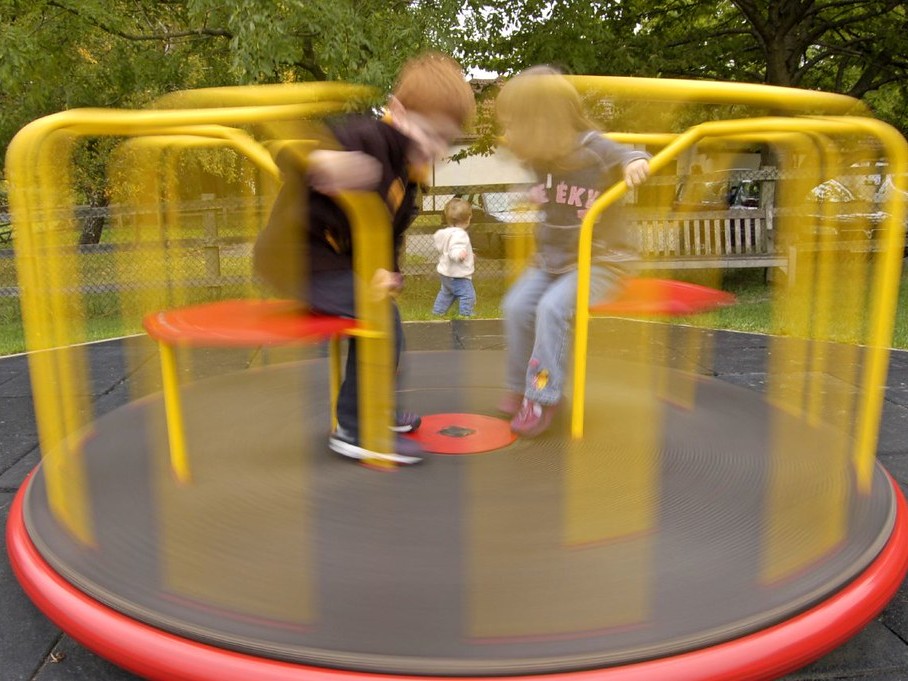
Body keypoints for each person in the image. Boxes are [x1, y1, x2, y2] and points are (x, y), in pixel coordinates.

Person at [254, 52, 475, 464]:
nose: (435, 148)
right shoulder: (367, 138)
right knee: (379, 319)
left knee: (387, 319)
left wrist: (388, 271)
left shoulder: (406, 180)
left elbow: (388, 234)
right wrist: (323, 161)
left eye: (445, 140)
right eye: (430, 133)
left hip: (330, 263)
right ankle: (357, 429)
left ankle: (377, 409)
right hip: (295, 259)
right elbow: (286, 150)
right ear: (397, 112)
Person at [495, 66, 651, 438]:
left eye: (517, 124)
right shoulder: (541, 155)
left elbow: (628, 153)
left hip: (601, 261)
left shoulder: (594, 148)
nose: (512, 134)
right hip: (552, 261)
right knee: (515, 306)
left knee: (552, 309)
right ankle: (520, 387)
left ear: (545, 120)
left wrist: (635, 162)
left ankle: (543, 396)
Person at [432, 197, 476, 317]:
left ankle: (437, 313)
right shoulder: (460, 235)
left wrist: (469, 255)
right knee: (468, 295)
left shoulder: (446, 233)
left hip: (446, 274)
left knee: (446, 293)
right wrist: (459, 255)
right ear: (468, 218)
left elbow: (448, 247)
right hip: (458, 275)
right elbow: (455, 248)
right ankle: (466, 314)